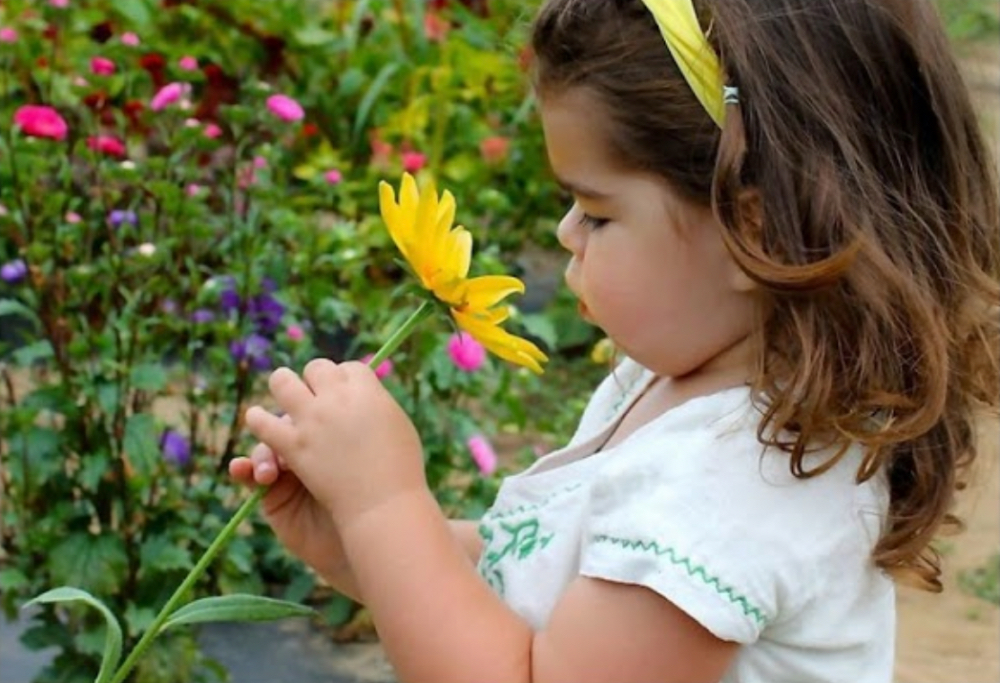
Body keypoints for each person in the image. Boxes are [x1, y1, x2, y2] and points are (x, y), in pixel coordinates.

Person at [229, 0, 1000, 681]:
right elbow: (546, 586)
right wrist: (369, 548)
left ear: (753, 230)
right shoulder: (671, 389)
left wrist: (384, 506)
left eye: (596, 212)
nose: (566, 233)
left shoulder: (737, 490)